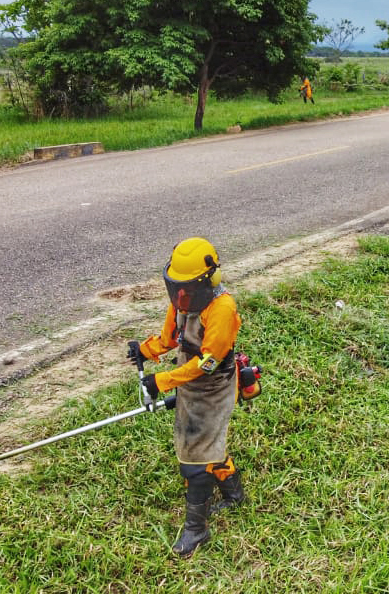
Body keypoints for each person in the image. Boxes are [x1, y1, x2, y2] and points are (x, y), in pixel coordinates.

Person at [129, 237, 244, 558]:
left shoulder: (222, 308)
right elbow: (169, 338)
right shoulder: (183, 301)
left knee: (195, 459)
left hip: (213, 385)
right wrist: (144, 350)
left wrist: (162, 381)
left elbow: (207, 362)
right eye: (176, 288)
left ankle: (197, 529)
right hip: (188, 382)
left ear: (209, 280)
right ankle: (235, 495)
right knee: (205, 446)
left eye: (186, 289)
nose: (180, 296)